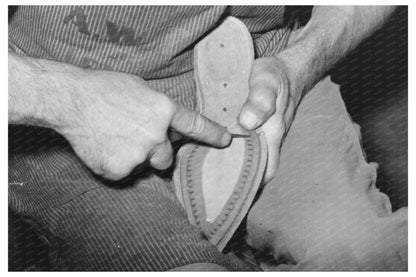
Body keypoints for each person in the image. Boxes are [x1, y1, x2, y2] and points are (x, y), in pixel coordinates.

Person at [8, 6, 407, 271]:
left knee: (363, 252)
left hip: (262, 65)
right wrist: (69, 100)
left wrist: (298, 66)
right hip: (56, 102)